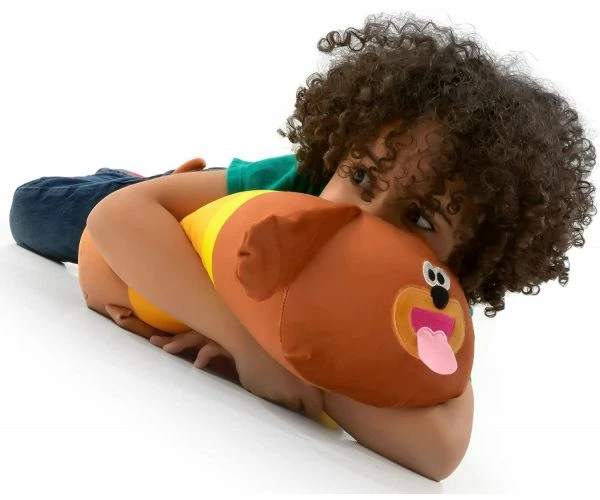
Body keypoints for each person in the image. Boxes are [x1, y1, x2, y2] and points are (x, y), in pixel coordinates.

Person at [8, 14, 596, 481]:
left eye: (418, 218)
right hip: (186, 223)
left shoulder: (425, 301)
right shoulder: (292, 187)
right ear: (335, 158)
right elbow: (118, 219)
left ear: (462, 263)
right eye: (360, 177)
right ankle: (150, 175)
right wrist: (244, 342)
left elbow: (439, 449)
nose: (364, 218)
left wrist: (297, 367)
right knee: (33, 213)